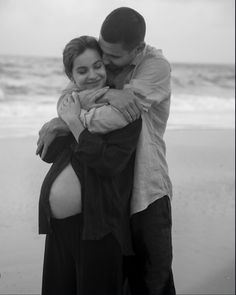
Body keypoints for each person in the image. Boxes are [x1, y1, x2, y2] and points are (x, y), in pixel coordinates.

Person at [37, 7, 176, 295]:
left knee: (154, 278)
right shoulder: (102, 63)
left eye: (111, 59)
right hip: (113, 190)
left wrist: (70, 123)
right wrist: (110, 93)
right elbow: (67, 96)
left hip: (145, 189)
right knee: (120, 279)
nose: (106, 65)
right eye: (103, 54)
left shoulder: (156, 66)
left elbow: (118, 115)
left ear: (136, 50)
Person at [38, 35, 142, 295]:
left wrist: (74, 124)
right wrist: (59, 122)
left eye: (98, 66)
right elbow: (47, 155)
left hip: (98, 230)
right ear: (71, 76)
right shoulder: (71, 106)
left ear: (106, 65)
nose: (93, 75)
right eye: (82, 70)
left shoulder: (124, 111)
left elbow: (109, 164)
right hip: (58, 232)